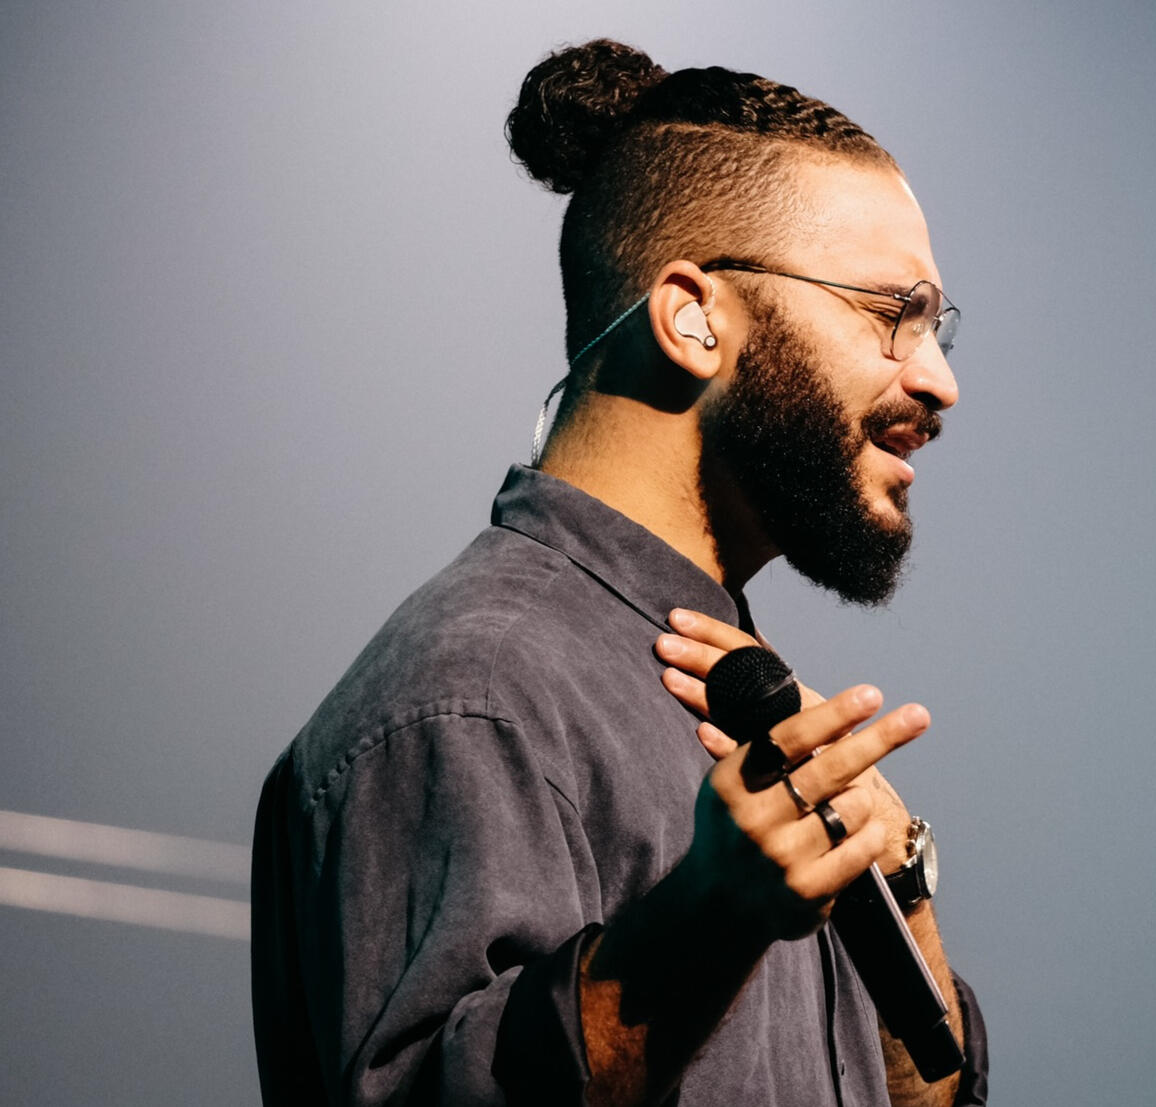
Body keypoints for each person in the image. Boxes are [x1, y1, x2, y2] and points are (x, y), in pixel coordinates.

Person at [251, 38, 988, 1107]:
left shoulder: (735, 700)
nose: (938, 380)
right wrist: (707, 927)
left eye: (938, 330)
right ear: (693, 317)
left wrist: (899, 896)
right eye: (891, 315)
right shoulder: (469, 700)